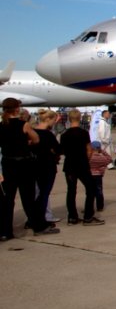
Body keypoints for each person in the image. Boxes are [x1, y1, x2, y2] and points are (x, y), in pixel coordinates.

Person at [0, 98, 59, 239]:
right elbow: (36, 139)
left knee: (8, 199)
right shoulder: (23, 125)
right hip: (24, 164)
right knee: (28, 198)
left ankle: (5, 231)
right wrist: (25, 142)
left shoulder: (1, 125)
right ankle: (38, 226)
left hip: (8, 163)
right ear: (16, 109)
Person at [60, 110, 104, 226]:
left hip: (69, 165)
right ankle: (88, 216)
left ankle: (72, 217)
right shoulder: (83, 133)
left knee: (71, 191)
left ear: (69, 119)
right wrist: (86, 159)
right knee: (91, 189)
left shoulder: (64, 134)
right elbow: (89, 149)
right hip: (82, 164)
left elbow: (62, 150)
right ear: (80, 118)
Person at [34, 109, 62, 224]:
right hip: (47, 166)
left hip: (35, 166)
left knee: (36, 193)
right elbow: (58, 150)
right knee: (44, 193)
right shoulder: (48, 134)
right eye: (54, 120)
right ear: (48, 119)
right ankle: (42, 219)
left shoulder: (33, 132)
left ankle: (34, 217)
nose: (54, 123)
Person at [88, 141, 113, 212]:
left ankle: (89, 206)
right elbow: (109, 159)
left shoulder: (89, 158)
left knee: (90, 192)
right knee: (99, 190)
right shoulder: (101, 158)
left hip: (90, 175)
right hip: (98, 175)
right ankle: (100, 206)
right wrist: (103, 151)